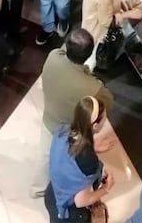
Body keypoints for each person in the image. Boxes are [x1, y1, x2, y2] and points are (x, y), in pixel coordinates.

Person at [31, 29, 114, 198]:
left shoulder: (53, 56)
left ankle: (37, 189)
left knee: (45, 156)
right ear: (90, 53)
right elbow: (108, 102)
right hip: (71, 131)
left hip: (49, 119)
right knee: (69, 163)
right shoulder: (92, 87)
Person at [45, 97, 113, 222]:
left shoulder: (62, 130)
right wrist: (106, 188)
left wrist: (92, 147)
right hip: (68, 212)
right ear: (95, 125)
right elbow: (81, 201)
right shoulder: (87, 160)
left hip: (52, 194)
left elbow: (68, 156)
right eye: (104, 118)